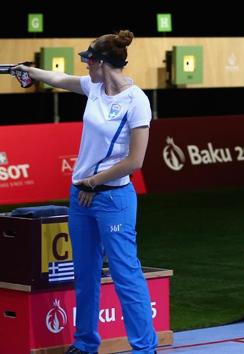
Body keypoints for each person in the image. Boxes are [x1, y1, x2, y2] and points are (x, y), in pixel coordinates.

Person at [13, 30, 157, 353]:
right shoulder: (93, 87)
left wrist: (95, 181)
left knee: (125, 276)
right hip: (81, 197)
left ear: (101, 63)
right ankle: (85, 343)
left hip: (113, 199)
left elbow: (135, 161)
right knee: (85, 275)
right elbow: (60, 78)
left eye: (88, 61)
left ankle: (145, 348)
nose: (85, 67)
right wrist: (28, 71)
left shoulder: (137, 102)